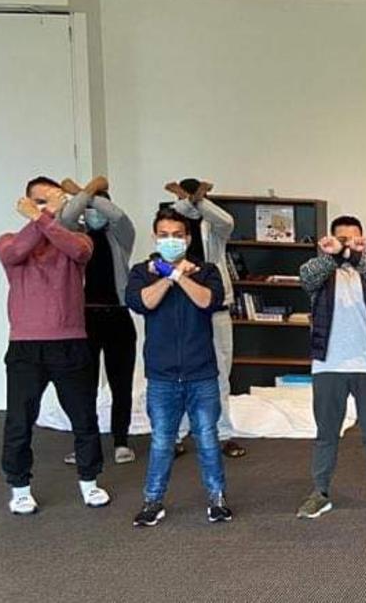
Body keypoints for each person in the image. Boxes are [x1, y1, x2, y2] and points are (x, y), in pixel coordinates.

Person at [0, 176, 110, 514]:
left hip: (70, 344)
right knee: (19, 420)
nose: (48, 207)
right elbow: (16, 253)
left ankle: (89, 482)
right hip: (25, 347)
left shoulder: (77, 239)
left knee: (84, 418)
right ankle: (19, 487)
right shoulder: (7, 240)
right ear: (26, 203)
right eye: (39, 202)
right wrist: (40, 219)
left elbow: (77, 251)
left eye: (53, 200)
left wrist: (44, 218)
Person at [125, 209, 232, 526]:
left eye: (176, 234)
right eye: (163, 234)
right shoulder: (141, 272)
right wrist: (167, 277)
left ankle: (217, 499)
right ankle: (152, 500)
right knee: (161, 440)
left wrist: (180, 276)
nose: (170, 240)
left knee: (208, 438)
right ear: (155, 237)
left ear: (187, 238)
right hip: (162, 375)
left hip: (201, 373)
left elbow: (206, 301)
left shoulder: (207, 270)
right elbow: (143, 302)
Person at [295, 216, 366, 519]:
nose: (346, 243)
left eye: (352, 238)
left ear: (363, 239)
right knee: (326, 433)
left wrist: (355, 255)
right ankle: (320, 492)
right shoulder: (320, 270)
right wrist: (334, 254)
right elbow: (307, 277)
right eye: (340, 238)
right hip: (328, 365)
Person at [58, 176, 138, 465]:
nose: (94, 212)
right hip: (84, 318)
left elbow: (119, 216)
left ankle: (120, 441)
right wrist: (85, 195)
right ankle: (85, 442)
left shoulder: (120, 237)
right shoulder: (74, 236)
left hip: (117, 315)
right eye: (88, 207)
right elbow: (64, 216)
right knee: (84, 384)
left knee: (120, 382)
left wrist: (85, 192)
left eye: (98, 205)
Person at [165, 179, 246, 458]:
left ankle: (224, 434)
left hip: (217, 308)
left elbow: (227, 220)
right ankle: (176, 434)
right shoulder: (173, 226)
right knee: (179, 372)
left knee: (221, 373)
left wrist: (198, 200)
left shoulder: (213, 225)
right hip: (180, 308)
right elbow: (177, 211)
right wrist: (188, 199)